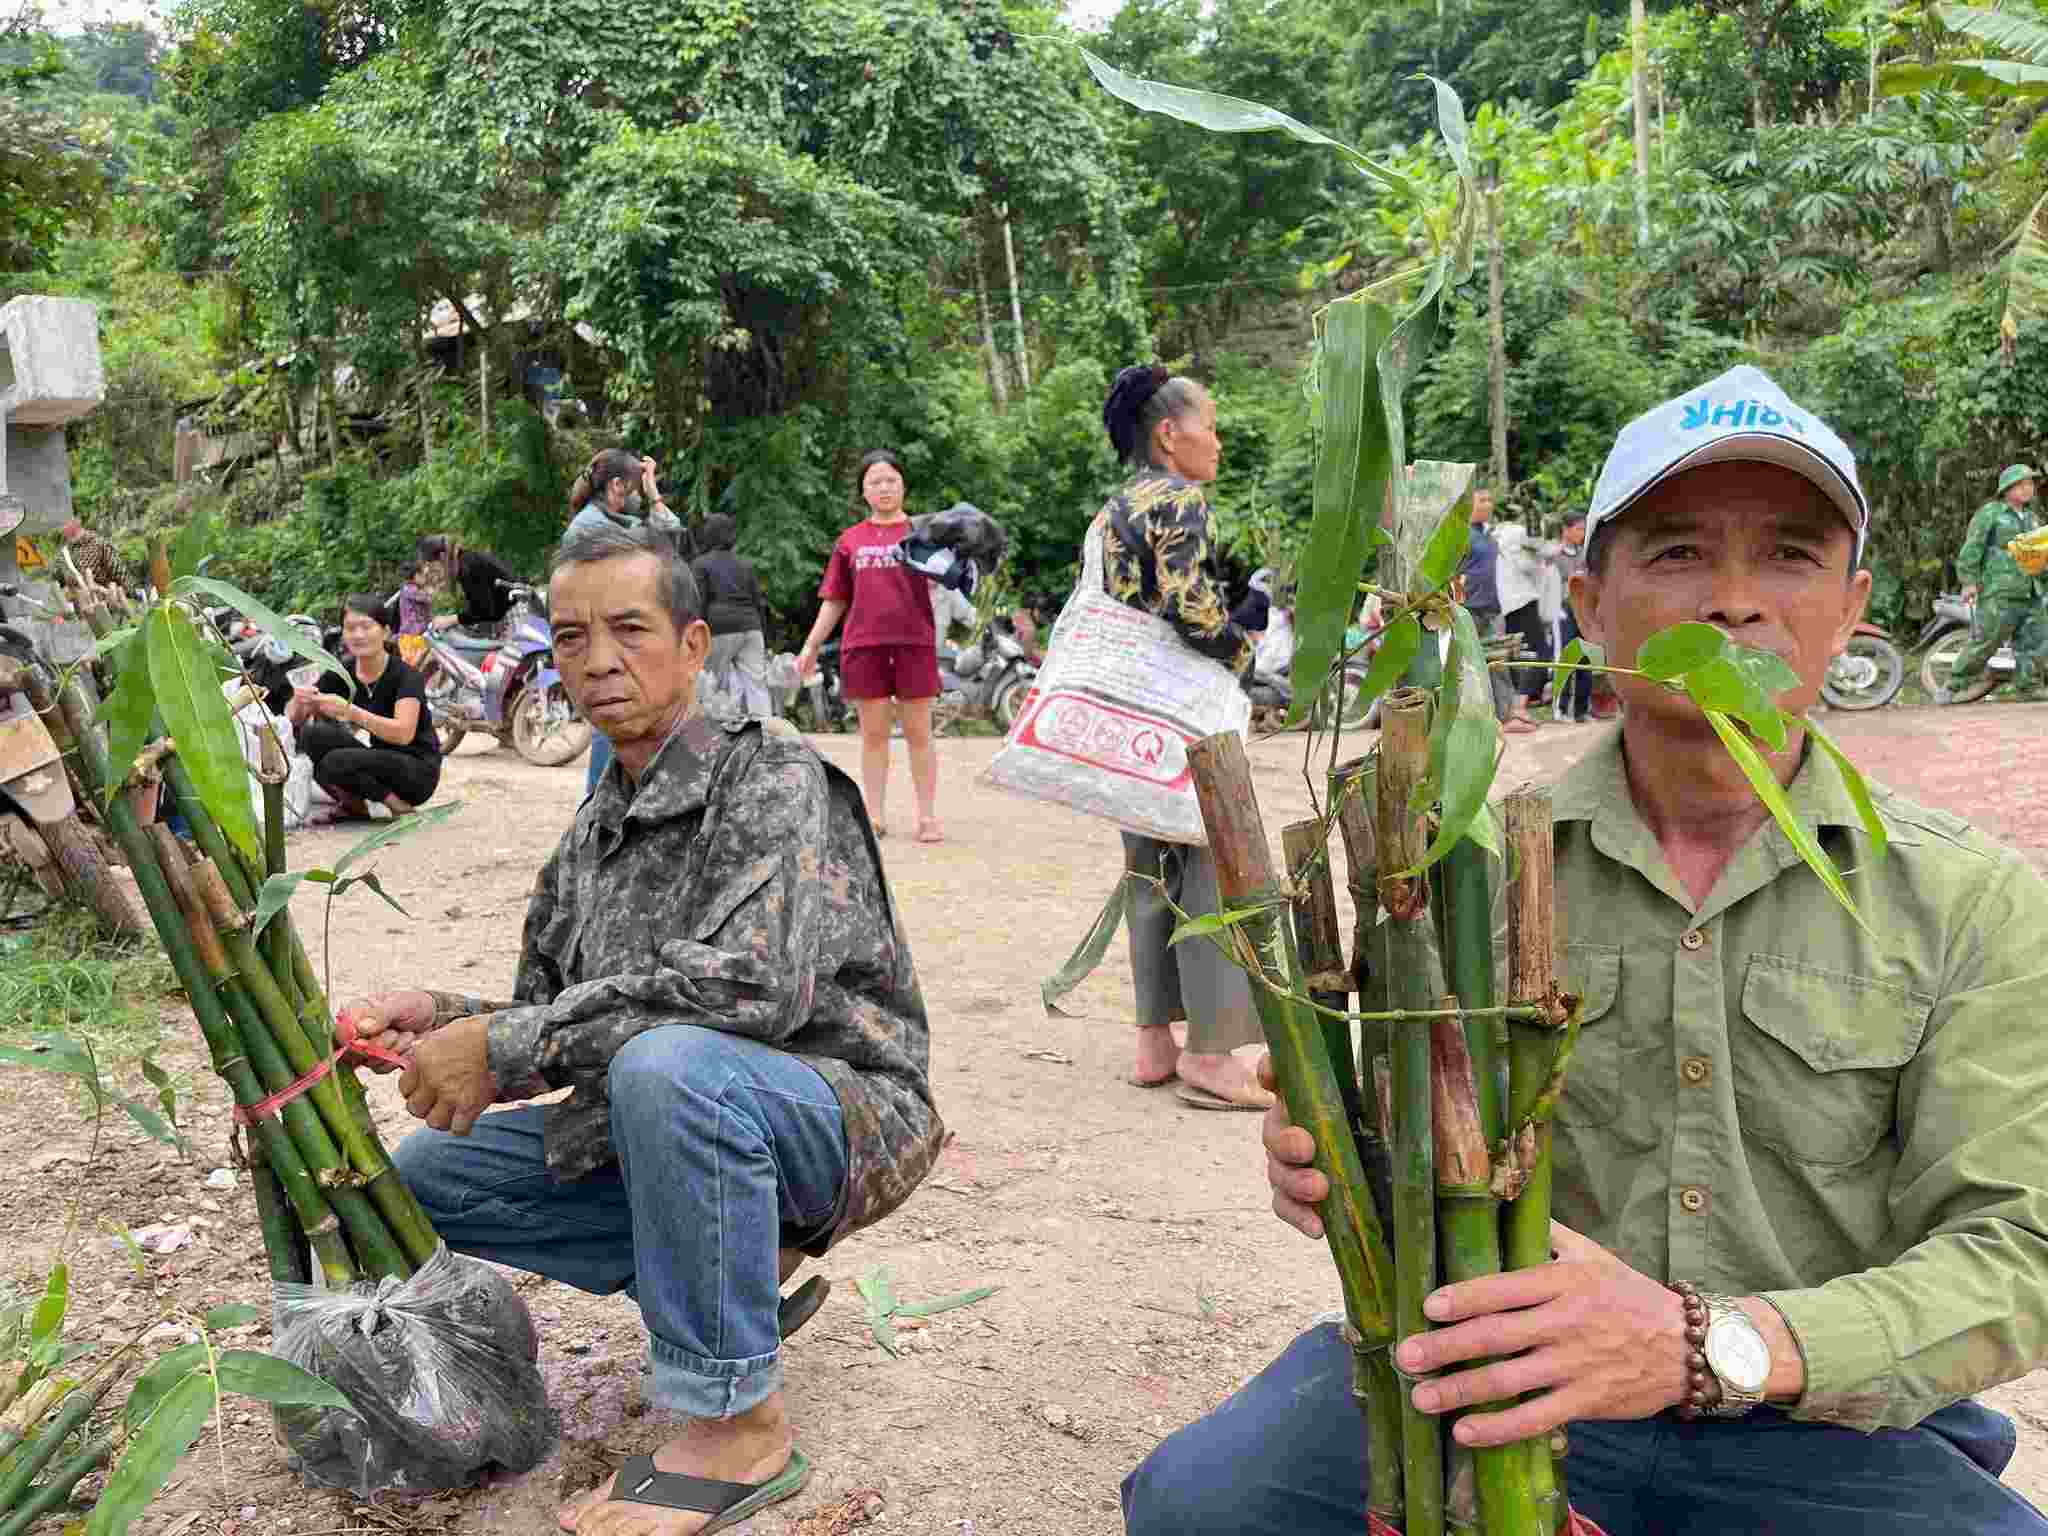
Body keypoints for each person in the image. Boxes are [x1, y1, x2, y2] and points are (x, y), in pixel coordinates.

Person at [1121, 363, 2048, 1536]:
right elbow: (1414, 1162)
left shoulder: (1964, 899)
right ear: (1589, 600)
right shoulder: (1467, 873)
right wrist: (1332, 1150)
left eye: (1788, 555)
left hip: (1818, 1421)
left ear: (1853, 604)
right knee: (1200, 1508)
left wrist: (1709, 1348)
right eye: (1674, 553)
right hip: (1501, 1391)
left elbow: (2015, 1252)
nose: (1730, 602)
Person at [336, 521, 942, 1536]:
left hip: (840, 1110)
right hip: (683, 1108)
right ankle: (734, 1266)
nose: (599, 661)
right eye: (571, 639)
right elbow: (547, 1013)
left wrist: (503, 1047)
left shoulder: (773, 781)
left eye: (629, 629)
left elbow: (751, 994)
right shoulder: (593, 829)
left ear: (695, 646)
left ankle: (738, 1427)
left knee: (670, 1069)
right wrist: (438, 1020)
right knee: (437, 1174)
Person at [1096, 365, 1272, 1115]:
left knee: (1148, 866)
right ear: (1171, 435)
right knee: (1211, 866)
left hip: (1130, 710)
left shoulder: (1115, 506)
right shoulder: (1178, 498)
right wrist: (1247, 653)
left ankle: (1153, 1041)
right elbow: (1190, 608)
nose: (1219, 440)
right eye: (1210, 424)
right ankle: (1210, 1051)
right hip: (1182, 715)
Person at [795, 450, 943, 843]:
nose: (884, 487)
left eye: (891, 479)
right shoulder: (850, 541)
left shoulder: (923, 534)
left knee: (919, 734)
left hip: (914, 643)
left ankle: (927, 816)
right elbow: (836, 598)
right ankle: (873, 815)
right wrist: (811, 646)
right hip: (864, 645)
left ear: (903, 484)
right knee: (874, 736)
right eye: (875, 481)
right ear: (863, 491)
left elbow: (950, 579)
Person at [287, 592, 442, 823]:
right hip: (379, 761)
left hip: (417, 771)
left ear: (386, 632)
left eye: (366, 627)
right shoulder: (344, 671)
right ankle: (355, 806)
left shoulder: (405, 676)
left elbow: (403, 733)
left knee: (334, 763)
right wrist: (301, 698)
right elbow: (293, 719)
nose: (358, 635)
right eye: (350, 628)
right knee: (313, 736)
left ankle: (398, 806)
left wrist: (349, 711)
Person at [1939, 462, 2047, 703]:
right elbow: (1973, 547)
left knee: (2035, 641)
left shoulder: (2032, 518)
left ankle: (2028, 687)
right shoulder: (1991, 513)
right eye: (2021, 484)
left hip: (2031, 590)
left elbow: (2039, 555)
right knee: (1986, 640)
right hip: (1999, 589)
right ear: (2007, 488)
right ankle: (1953, 685)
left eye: (2030, 484)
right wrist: (1968, 581)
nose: (2027, 489)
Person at [691, 513, 772, 719]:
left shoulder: (701, 564)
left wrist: (694, 635)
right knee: (757, 684)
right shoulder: (746, 564)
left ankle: (712, 734)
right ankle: (765, 734)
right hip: (752, 627)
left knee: (711, 682)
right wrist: (764, 633)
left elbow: (699, 602)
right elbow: (759, 602)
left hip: (719, 629)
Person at [415, 535, 519, 635]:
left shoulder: (468, 568)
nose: (429, 570)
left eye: (430, 564)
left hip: (517, 619)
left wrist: (449, 620)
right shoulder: (467, 560)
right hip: (512, 614)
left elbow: (483, 611)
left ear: (442, 557)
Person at [1549, 512, 1594, 723]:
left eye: (1583, 529)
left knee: (1586, 660)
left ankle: (1581, 710)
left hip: (1583, 611)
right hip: (1564, 612)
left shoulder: (1584, 556)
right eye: (1577, 529)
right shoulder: (1555, 556)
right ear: (1565, 530)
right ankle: (1561, 709)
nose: (1581, 533)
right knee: (1566, 660)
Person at [58, 517, 125, 589]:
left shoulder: (100, 543)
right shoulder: (67, 552)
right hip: (94, 590)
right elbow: (118, 571)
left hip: (104, 589)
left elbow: (117, 570)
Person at [394, 562, 433, 668]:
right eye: (423, 575)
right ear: (416, 576)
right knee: (415, 670)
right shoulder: (411, 591)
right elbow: (428, 598)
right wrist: (428, 591)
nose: (425, 578)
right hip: (412, 638)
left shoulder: (408, 590)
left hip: (415, 637)